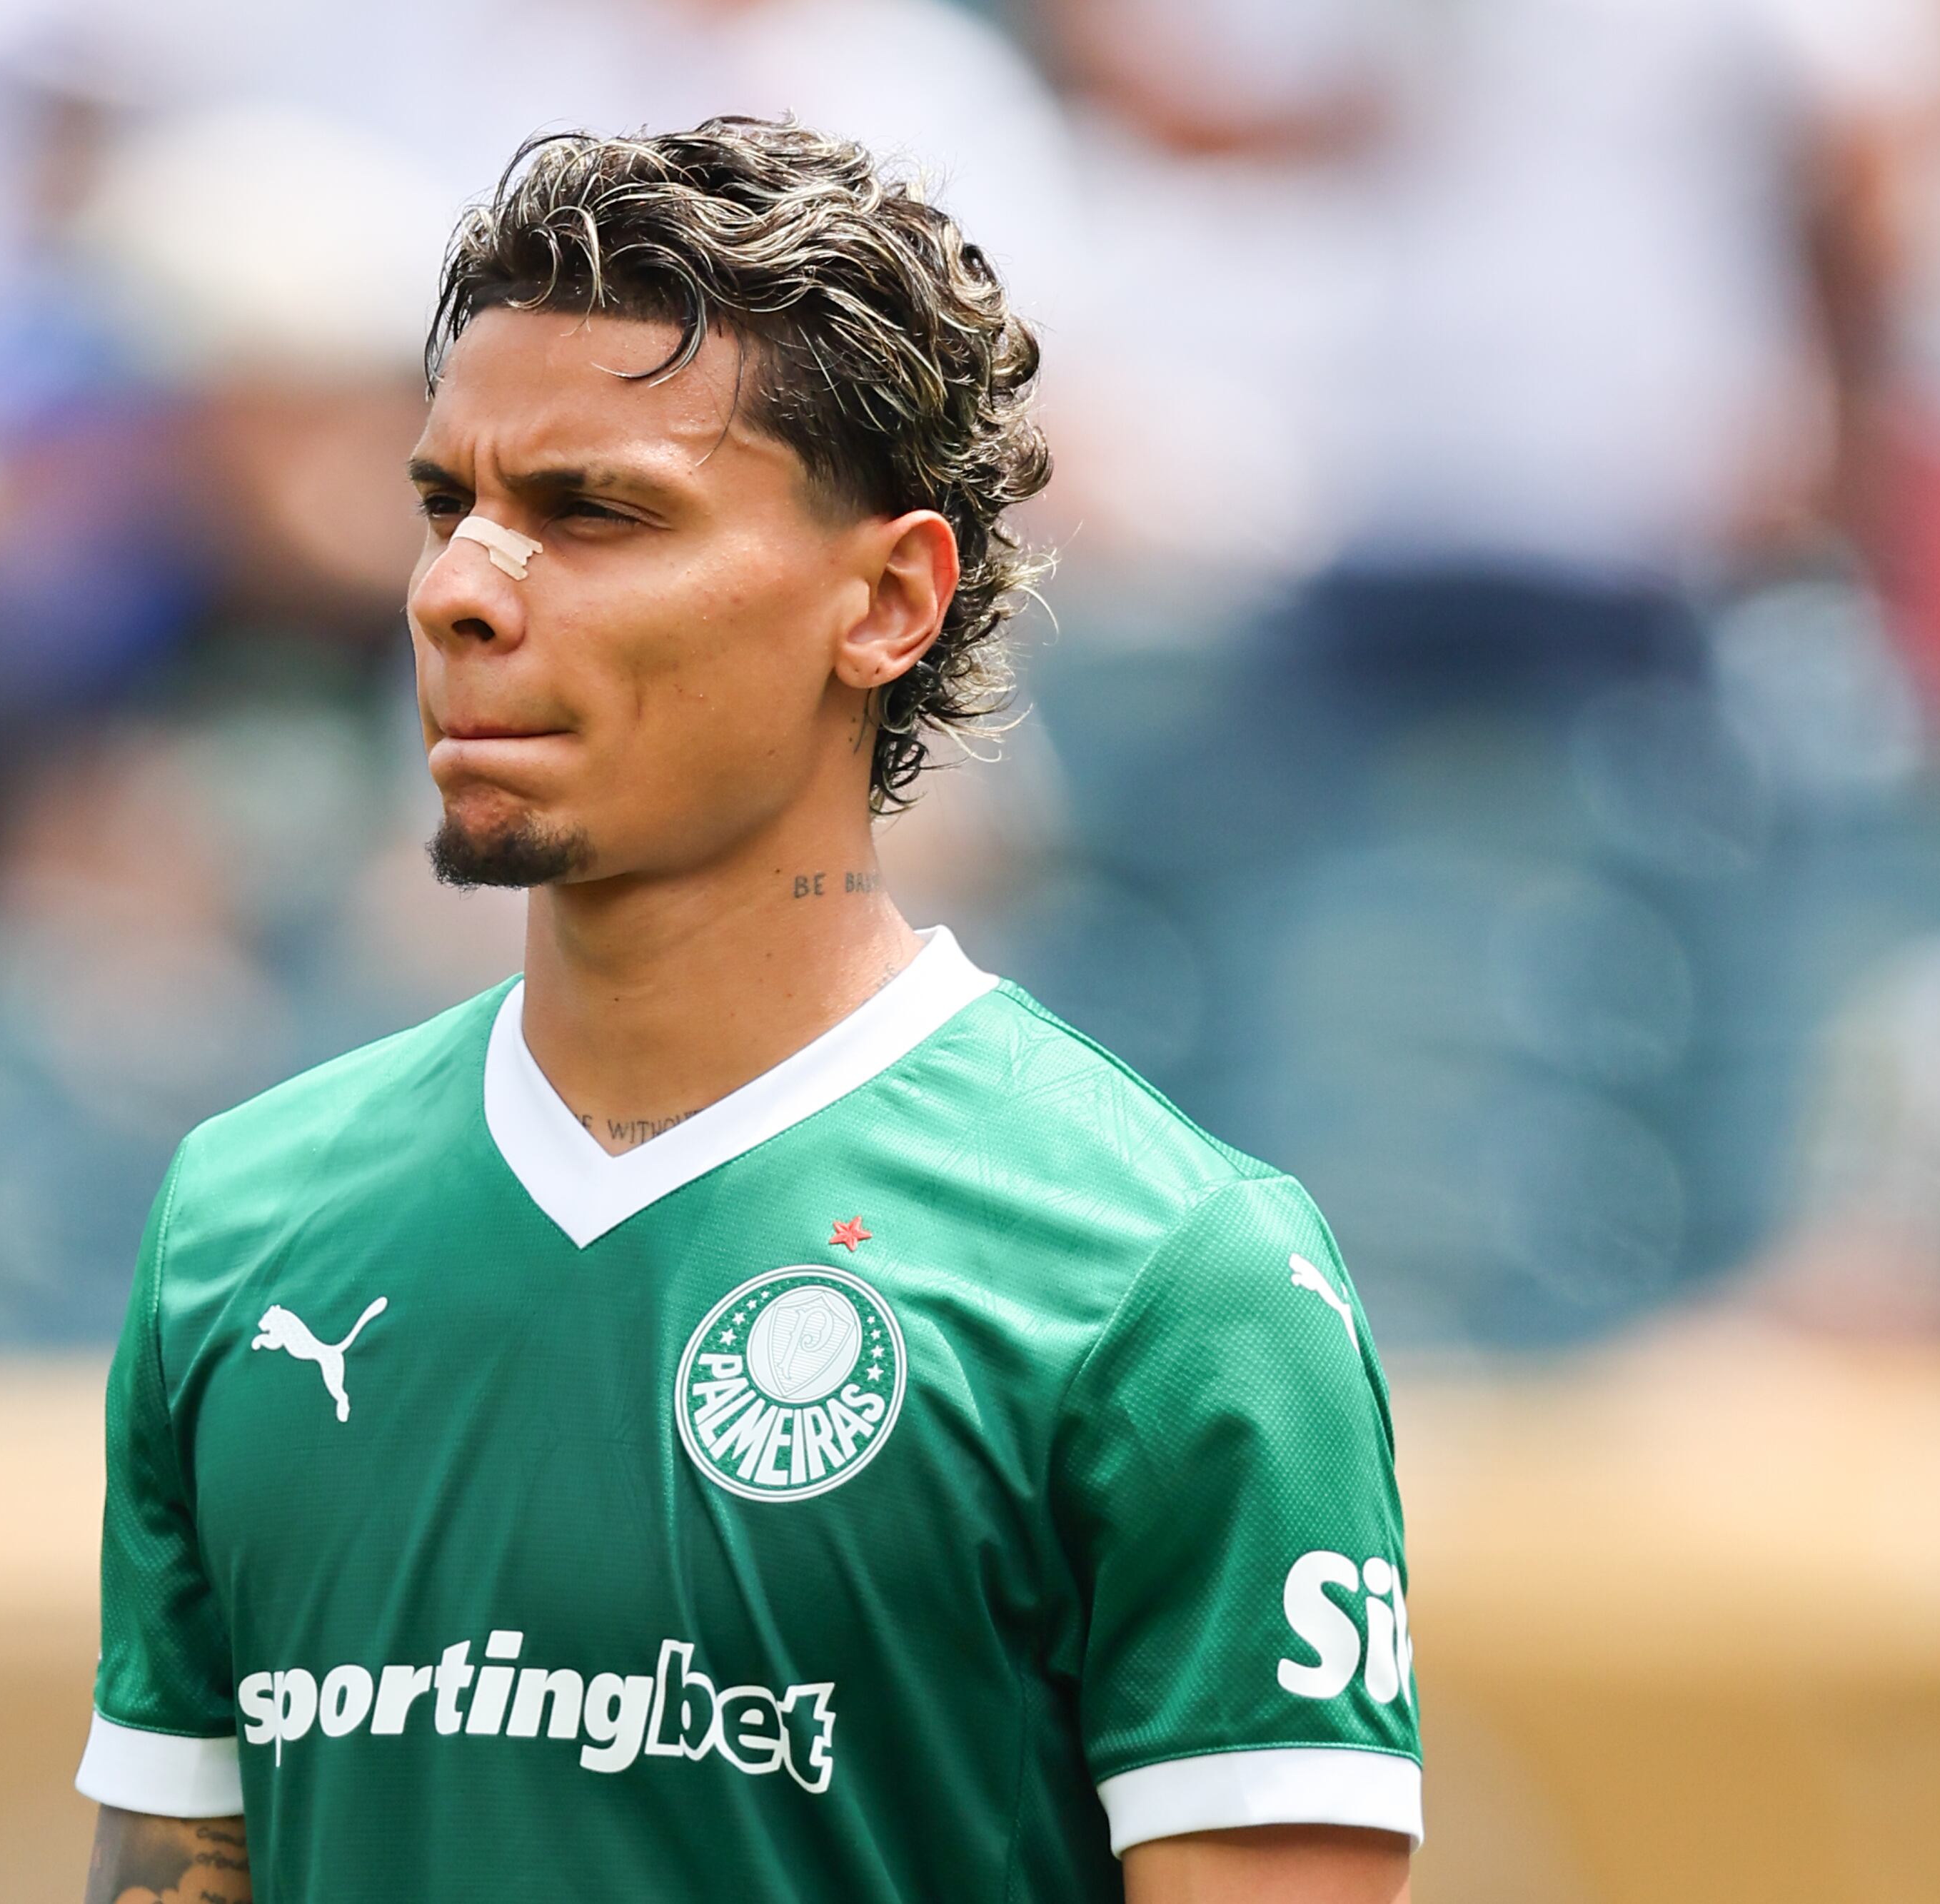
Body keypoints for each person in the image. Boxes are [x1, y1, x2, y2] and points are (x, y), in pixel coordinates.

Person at [74, 121, 1419, 1903]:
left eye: (593, 511)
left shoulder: (1172, 1283)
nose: (459, 588)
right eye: (444, 506)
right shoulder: (241, 1225)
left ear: (885, 599)